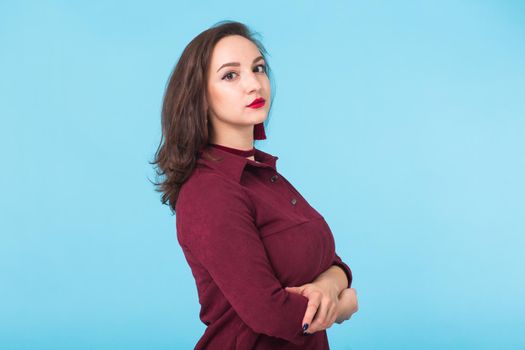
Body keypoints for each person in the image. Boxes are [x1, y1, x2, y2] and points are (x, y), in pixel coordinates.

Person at [151, 20, 358, 349]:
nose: (254, 84)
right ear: (199, 96)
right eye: (230, 75)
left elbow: (333, 261)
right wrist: (344, 304)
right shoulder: (210, 191)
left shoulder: (263, 174)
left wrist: (328, 287)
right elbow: (270, 313)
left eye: (258, 68)